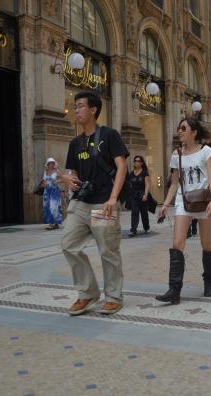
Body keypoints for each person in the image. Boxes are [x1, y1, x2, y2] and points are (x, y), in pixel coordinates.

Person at [60, 91, 129, 316]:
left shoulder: (109, 135)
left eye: (80, 106)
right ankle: (88, 293)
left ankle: (113, 297)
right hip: (81, 203)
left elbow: (121, 167)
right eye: (75, 106)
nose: (76, 110)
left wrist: (113, 198)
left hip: (103, 204)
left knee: (107, 251)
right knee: (68, 244)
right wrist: (66, 178)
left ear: (93, 110)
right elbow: (72, 173)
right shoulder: (74, 143)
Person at [156, 117, 211, 304]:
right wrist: (166, 204)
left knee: (206, 243)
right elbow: (174, 183)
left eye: (184, 128)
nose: (180, 131)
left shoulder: (205, 151)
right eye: (178, 128)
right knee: (177, 243)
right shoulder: (177, 154)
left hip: (204, 200)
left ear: (194, 132)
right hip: (184, 201)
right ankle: (174, 290)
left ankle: (209, 281)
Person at [128, 155, 151, 237]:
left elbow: (147, 184)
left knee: (144, 213)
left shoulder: (145, 172)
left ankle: (146, 227)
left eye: (138, 161)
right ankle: (133, 230)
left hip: (142, 194)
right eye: (135, 160)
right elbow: (129, 184)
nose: (136, 162)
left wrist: (146, 194)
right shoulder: (131, 173)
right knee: (134, 212)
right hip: (134, 195)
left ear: (141, 163)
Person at [41, 157, 63, 230]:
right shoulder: (45, 171)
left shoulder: (56, 171)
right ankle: (51, 223)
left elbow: (63, 178)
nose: (51, 164)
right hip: (47, 192)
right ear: (47, 164)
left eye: (52, 163)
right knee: (47, 207)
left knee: (54, 207)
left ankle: (55, 223)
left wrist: (57, 181)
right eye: (50, 163)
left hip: (54, 191)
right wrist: (44, 184)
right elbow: (43, 181)